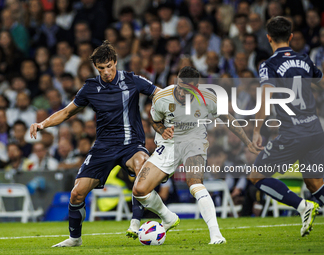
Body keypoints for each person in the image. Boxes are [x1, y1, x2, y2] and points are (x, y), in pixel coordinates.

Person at [29, 40, 160, 247]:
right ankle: (75, 238)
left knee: (141, 166)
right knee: (77, 192)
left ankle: (135, 223)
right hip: (103, 147)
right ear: (96, 68)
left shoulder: (132, 80)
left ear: (115, 62)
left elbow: (159, 94)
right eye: (101, 68)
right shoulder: (90, 88)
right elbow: (66, 112)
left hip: (131, 144)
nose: (107, 72)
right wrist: (42, 124)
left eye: (109, 66)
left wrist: (166, 116)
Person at [130, 66, 259, 244]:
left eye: (188, 89)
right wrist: (162, 130)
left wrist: (247, 142)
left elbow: (227, 118)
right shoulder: (161, 97)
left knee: (194, 183)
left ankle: (216, 234)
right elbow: (155, 119)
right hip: (169, 144)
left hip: (194, 142)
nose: (182, 92)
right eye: (180, 87)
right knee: (139, 190)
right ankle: (168, 218)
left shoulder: (208, 98)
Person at [249, 16, 324, 237]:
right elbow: (321, 83)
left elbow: (265, 99)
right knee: (314, 182)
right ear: (291, 37)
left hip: (293, 133)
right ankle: (309, 203)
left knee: (256, 175)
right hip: (314, 130)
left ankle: (303, 206)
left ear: (268, 38)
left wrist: (256, 130)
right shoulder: (305, 60)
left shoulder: (269, 65)